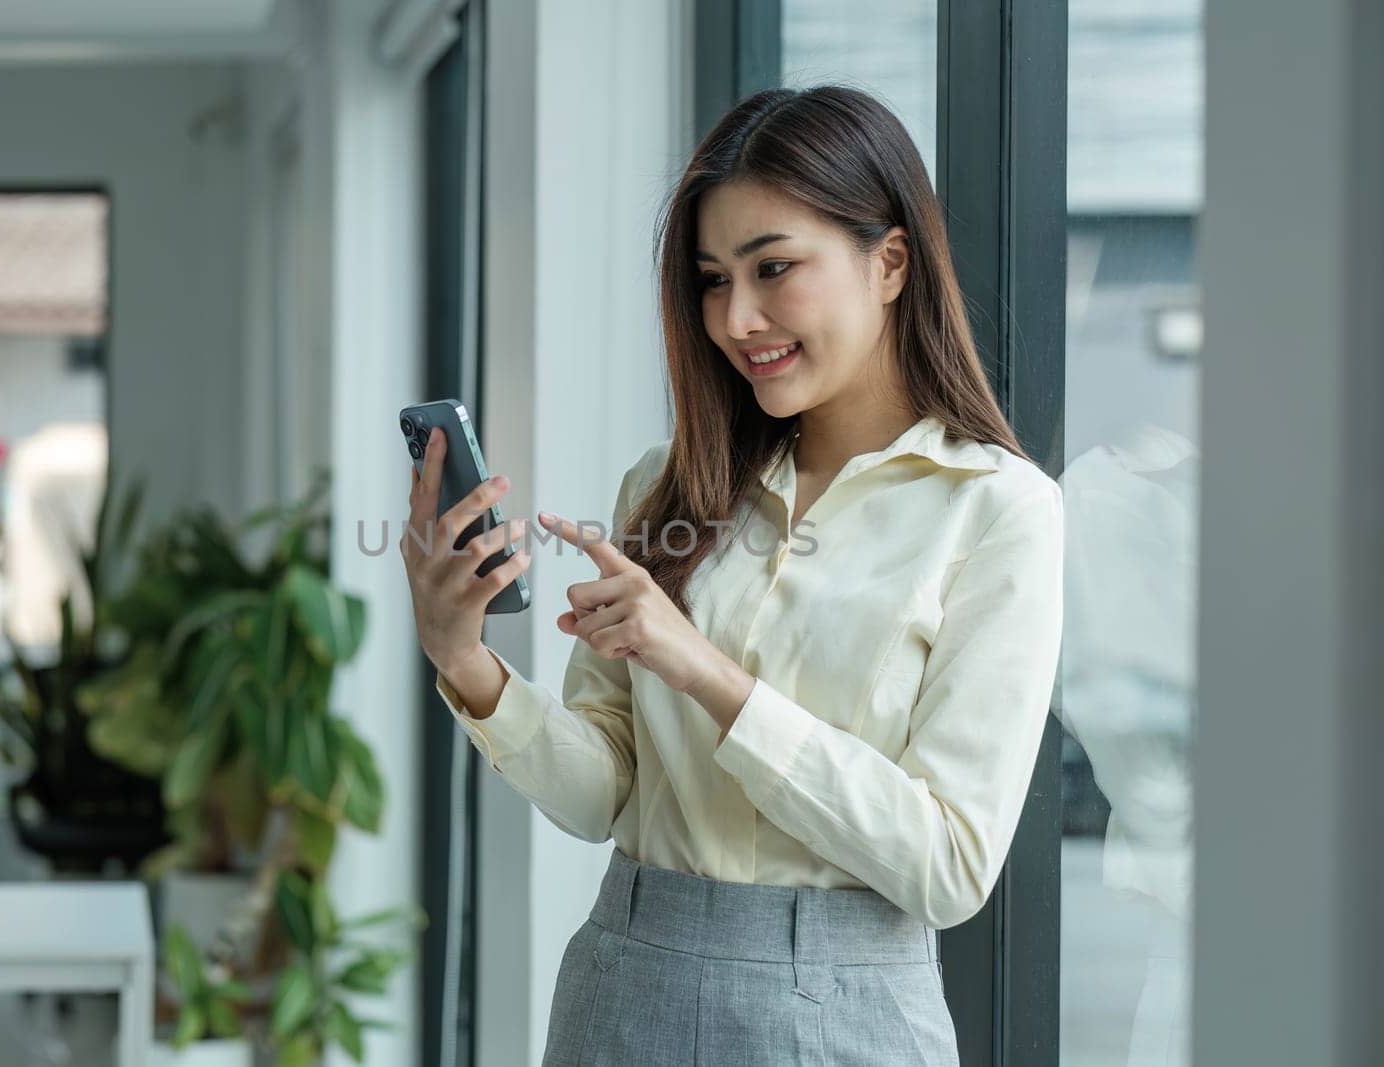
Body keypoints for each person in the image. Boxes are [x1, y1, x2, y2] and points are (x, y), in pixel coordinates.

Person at [400, 85, 1063, 1066]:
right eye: (711, 279)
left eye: (774, 268)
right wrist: (462, 657)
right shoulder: (669, 488)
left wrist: (706, 673)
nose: (736, 317)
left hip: (849, 1007)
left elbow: (950, 864)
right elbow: (600, 797)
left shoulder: (997, 509)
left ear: (890, 262)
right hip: (625, 978)